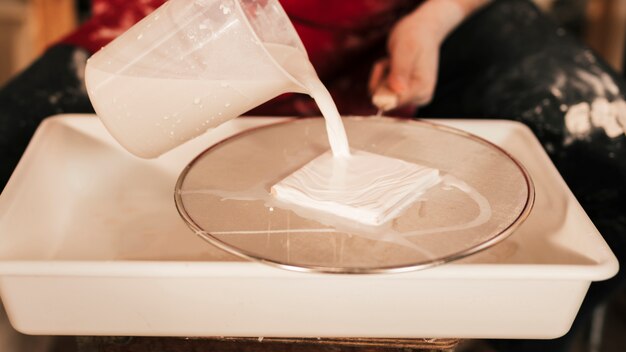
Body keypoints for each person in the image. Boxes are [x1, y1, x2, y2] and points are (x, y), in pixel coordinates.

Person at [0, 0, 624, 350]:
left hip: (406, 21)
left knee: (600, 143)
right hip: (194, 21)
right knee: (18, 132)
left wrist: (432, 20)